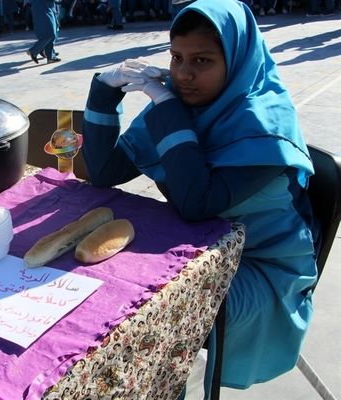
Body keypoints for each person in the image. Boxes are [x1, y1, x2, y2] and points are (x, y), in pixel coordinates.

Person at [81, 0, 318, 396]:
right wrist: (104, 92)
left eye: (203, 60)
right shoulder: (185, 102)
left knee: (149, 319)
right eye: (176, 57)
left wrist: (170, 112)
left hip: (263, 266)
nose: (184, 74)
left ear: (237, 60)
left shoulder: (263, 123)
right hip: (202, 248)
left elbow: (197, 203)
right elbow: (104, 173)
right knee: (106, 290)